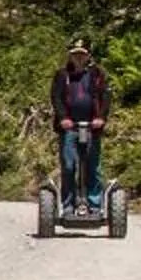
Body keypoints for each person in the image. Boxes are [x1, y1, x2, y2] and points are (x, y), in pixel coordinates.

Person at [52, 39, 110, 212]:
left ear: (88, 55)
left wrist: (101, 117)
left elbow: (105, 97)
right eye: (75, 54)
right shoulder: (62, 75)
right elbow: (56, 98)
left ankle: (94, 205)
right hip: (69, 127)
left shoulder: (97, 74)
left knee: (93, 165)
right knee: (69, 166)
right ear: (70, 55)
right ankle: (68, 205)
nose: (78, 57)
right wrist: (63, 118)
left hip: (92, 127)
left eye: (82, 54)